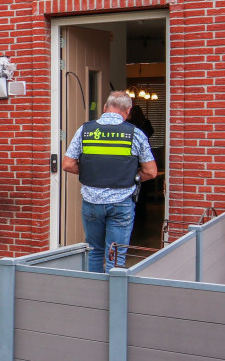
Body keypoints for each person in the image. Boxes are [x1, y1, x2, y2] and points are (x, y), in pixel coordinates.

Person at [62, 91, 159, 272]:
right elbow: (151, 172)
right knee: (115, 255)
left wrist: (94, 172)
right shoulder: (135, 134)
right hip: (121, 204)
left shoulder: (85, 130)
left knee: (94, 251)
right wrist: (133, 176)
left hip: (91, 203)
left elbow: (67, 164)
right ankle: (113, 298)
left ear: (105, 108)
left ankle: (94, 296)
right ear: (128, 111)